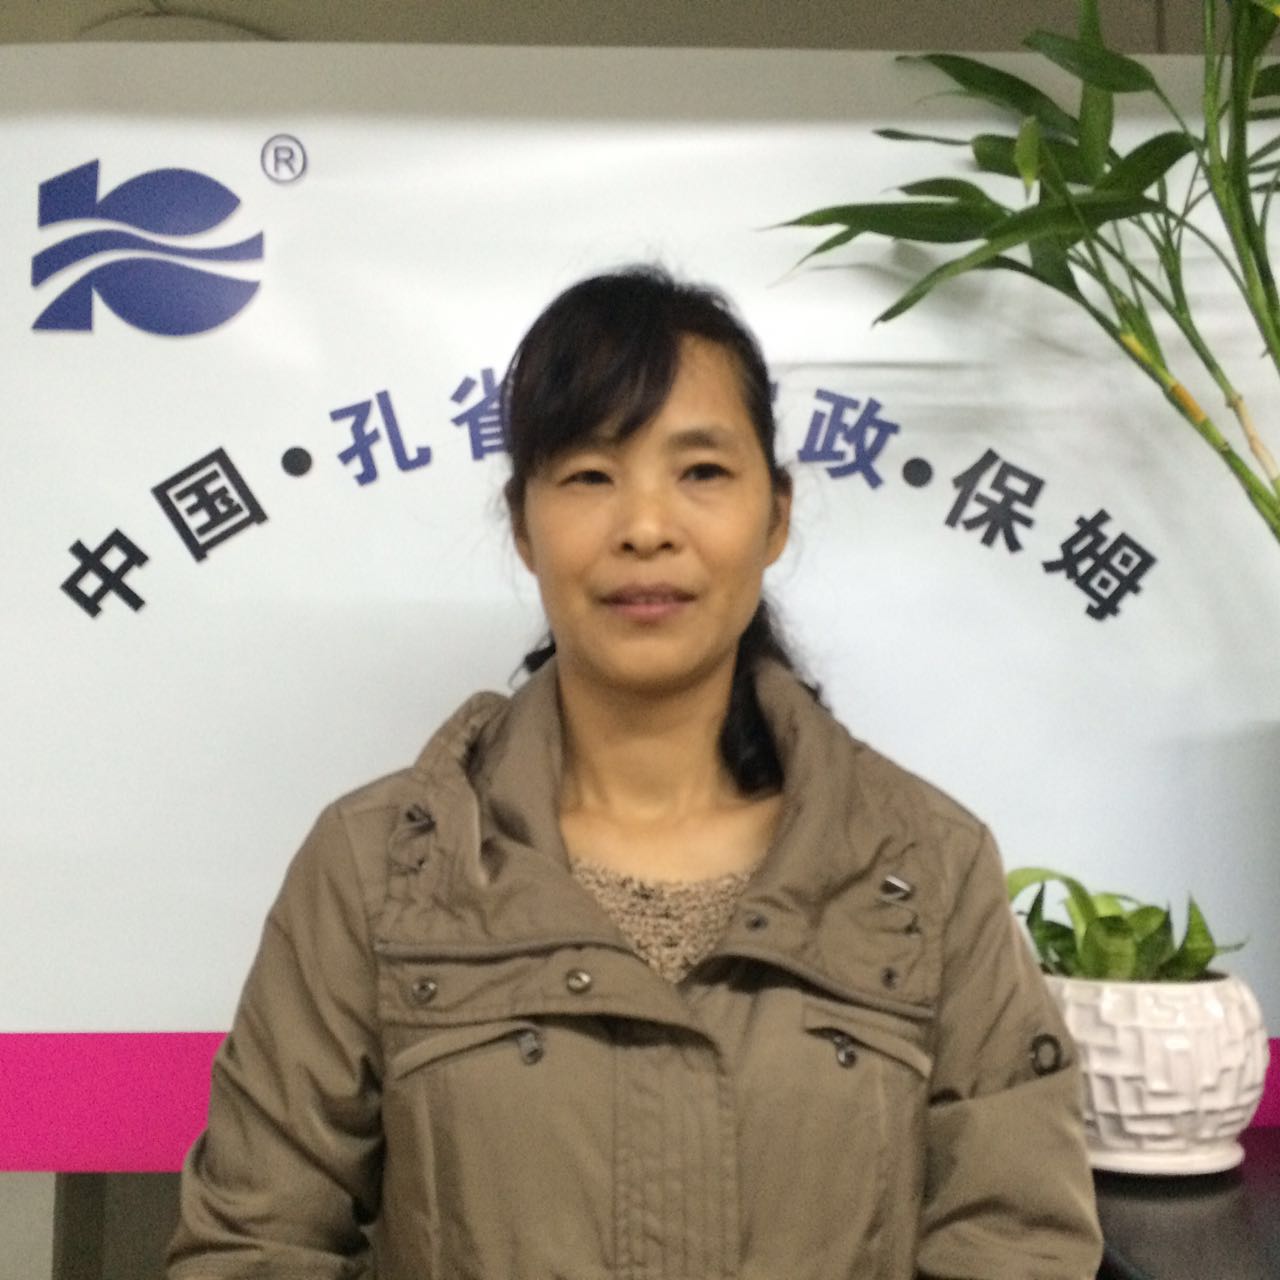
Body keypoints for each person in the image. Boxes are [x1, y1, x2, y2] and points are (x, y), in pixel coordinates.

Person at [167, 267, 1103, 1279]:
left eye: (700, 471)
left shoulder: (922, 866)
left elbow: (1019, 1239)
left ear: (775, 515)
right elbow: (253, 1244)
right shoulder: (378, 866)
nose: (646, 526)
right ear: (522, 525)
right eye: (587, 475)